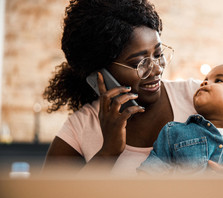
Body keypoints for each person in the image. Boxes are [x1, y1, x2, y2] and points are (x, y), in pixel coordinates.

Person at [42, 0, 201, 176]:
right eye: (139, 63)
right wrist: (108, 152)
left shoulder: (198, 96)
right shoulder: (81, 127)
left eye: (158, 54)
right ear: (100, 74)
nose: (157, 69)